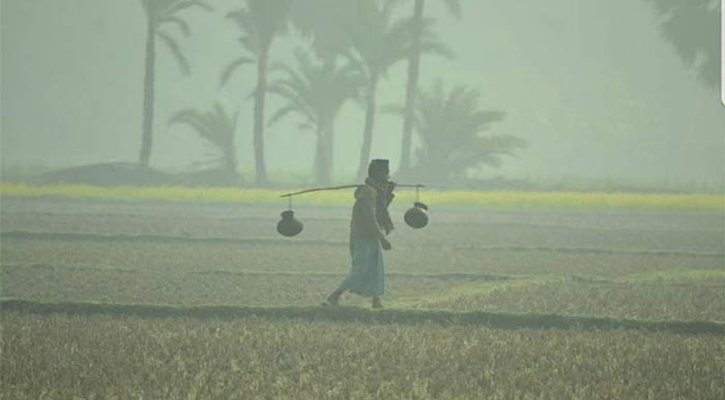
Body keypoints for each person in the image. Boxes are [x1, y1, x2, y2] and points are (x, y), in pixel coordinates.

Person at [324, 159, 395, 309]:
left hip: (371, 236)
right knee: (360, 269)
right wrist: (382, 238)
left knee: (375, 268)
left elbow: (380, 209)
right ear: (379, 174)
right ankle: (334, 296)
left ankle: (376, 301)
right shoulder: (368, 193)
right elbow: (370, 218)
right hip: (364, 236)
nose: (388, 176)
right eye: (386, 173)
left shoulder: (375, 191)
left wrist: (388, 193)